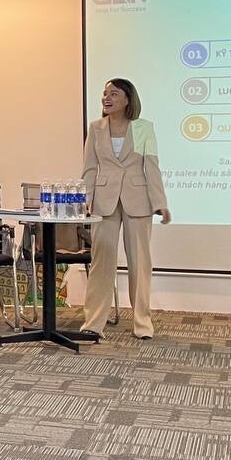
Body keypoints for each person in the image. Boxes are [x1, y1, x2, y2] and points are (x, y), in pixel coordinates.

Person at [80, 78, 170, 340]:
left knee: (140, 263)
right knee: (101, 262)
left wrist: (160, 202)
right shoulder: (95, 128)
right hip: (103, 201)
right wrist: (85, 199)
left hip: (138, 200)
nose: (106, 98)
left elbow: (152, 167)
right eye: (104, 94)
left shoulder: (143, 128)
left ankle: (142, 323)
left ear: (128, 98)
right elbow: (89, 168)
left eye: (114, 94)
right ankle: (94, 322)